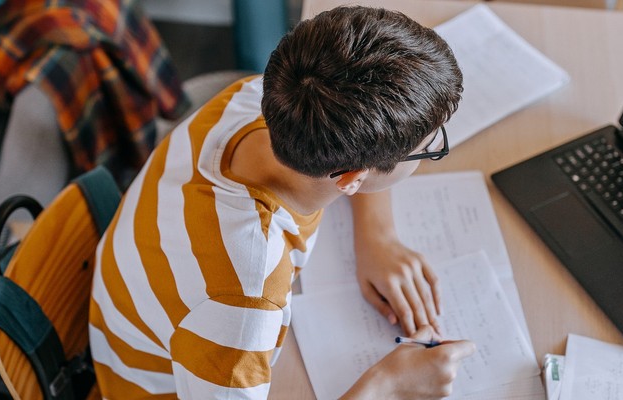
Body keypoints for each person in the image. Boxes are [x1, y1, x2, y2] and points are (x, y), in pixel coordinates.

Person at [87, 6, 474, 399]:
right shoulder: (243, 302)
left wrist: (377, 235)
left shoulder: (265, 96)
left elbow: (358, 151)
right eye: (428, 148)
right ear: (350, 178)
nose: (434, 145)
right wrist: (388, 386)